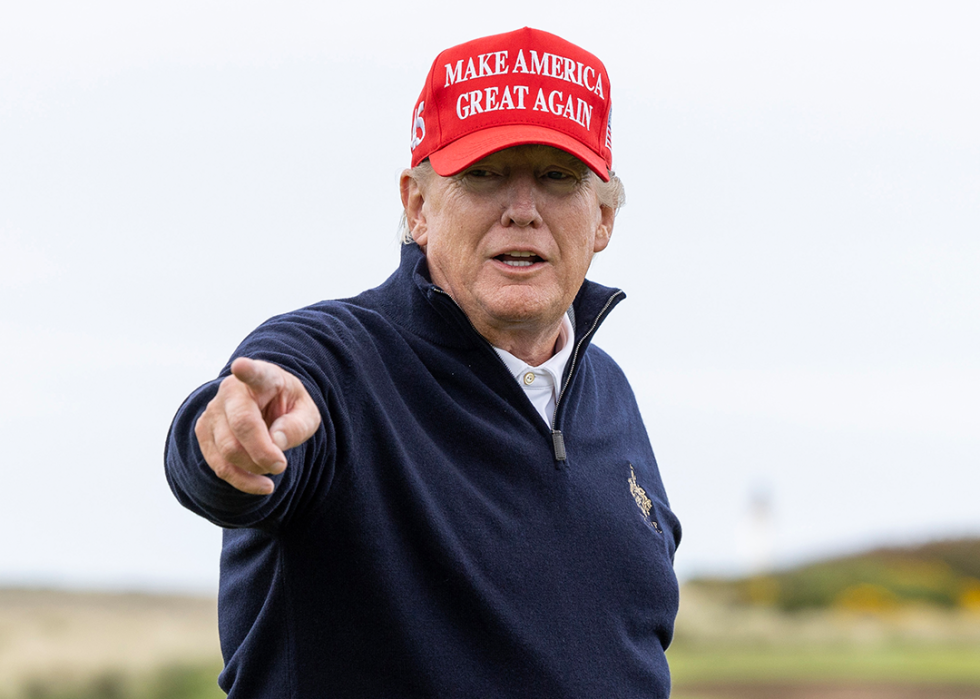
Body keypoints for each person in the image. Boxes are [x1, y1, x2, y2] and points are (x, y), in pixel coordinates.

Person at [166, 26, 680, 698]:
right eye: (484, 174)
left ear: (604, 218)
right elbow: (230, 439)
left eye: (557, 177)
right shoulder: (336, 363)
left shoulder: (608, 392)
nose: (522, 210)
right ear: (417, 205)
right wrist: (225, 446)